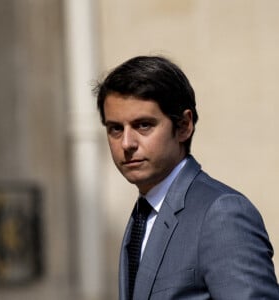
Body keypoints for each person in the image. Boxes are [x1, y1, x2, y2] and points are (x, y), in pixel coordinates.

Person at [94, 55, 279, 299]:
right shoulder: (143, 215)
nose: (126, 143)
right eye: (115, 129)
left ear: (183, 126)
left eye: (143, 125)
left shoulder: (222, 213)